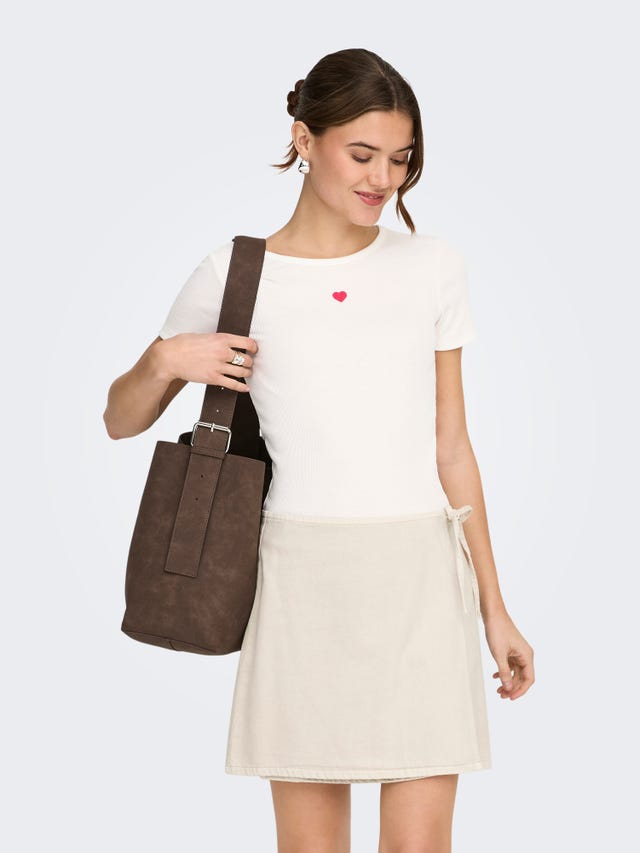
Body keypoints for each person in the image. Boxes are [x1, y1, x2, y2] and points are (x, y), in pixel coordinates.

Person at [104, 47, 535, 853]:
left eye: (400, 159)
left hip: (419, 580)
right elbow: (118, 420)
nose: (383, 179)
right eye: (362, 154)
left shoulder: (433, 267)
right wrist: (165, 360)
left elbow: (451, 447)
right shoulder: (234, 273)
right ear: (304, 139)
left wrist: (495, 607)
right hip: (299, 580)